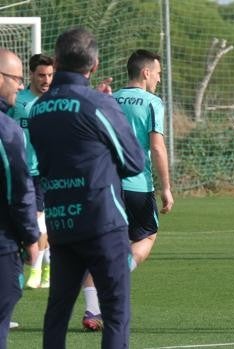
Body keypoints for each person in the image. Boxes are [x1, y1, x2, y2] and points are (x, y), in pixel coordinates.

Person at [28, 27, 144, 348]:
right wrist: (111, 110)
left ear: (56, 61)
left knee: (58, 311)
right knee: (115, 311)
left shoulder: (37, 109)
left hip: (61, 220)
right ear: (94, 65)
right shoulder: (97, 104)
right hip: (101, 220)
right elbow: (134, 161)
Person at [80, 49, 174, 331]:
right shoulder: (152, 102)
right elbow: (156, 146)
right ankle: (115, 278)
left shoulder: (108, 98)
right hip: (136, 185)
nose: (158, 79)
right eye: (158, 73)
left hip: (104, 183)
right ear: (145, 73)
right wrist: (166, 187)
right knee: (147, 236)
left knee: (99, 246)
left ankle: (91, 310)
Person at [0, 48, 40, 349]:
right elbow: (18, 190)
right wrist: (30, 238)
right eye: (16, 78)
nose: (20, 85)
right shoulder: (6, 129)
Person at [8, 53, 54, 289]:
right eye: (41, 75)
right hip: (17, 170)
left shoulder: (55, 101)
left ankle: (36, 268)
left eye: (49, 75)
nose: (46, 80)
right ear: (31, 75)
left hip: (42, 172)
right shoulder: (18, 101)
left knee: (39, 220)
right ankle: (46, 267)